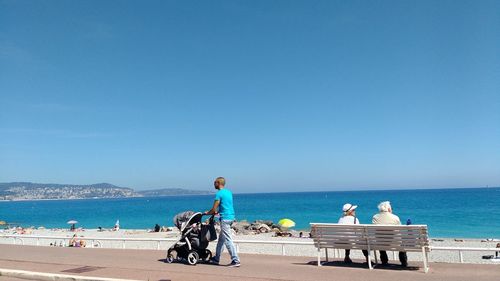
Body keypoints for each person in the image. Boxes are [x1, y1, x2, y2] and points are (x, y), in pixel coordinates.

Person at [204, 177, 241, 267]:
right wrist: (218, 212)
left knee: (228, 240)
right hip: (231, 217)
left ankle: (235, 260)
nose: (213, 184)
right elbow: (225, 205)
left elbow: (213, 209)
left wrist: (207, 213)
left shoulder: (219, 194)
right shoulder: (229, 192)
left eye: (214, 182)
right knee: (221, 239)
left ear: (218, 183)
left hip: (225, 218)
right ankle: (216, 258)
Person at [372, 201, 408, 267]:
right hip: (395, 243)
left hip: (381, 243)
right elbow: (400, 231)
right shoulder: (395, 217)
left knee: (381, 239)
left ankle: (384, 261)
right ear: (389, 209)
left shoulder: (375, 217)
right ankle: (403, 262)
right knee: (402, 241)